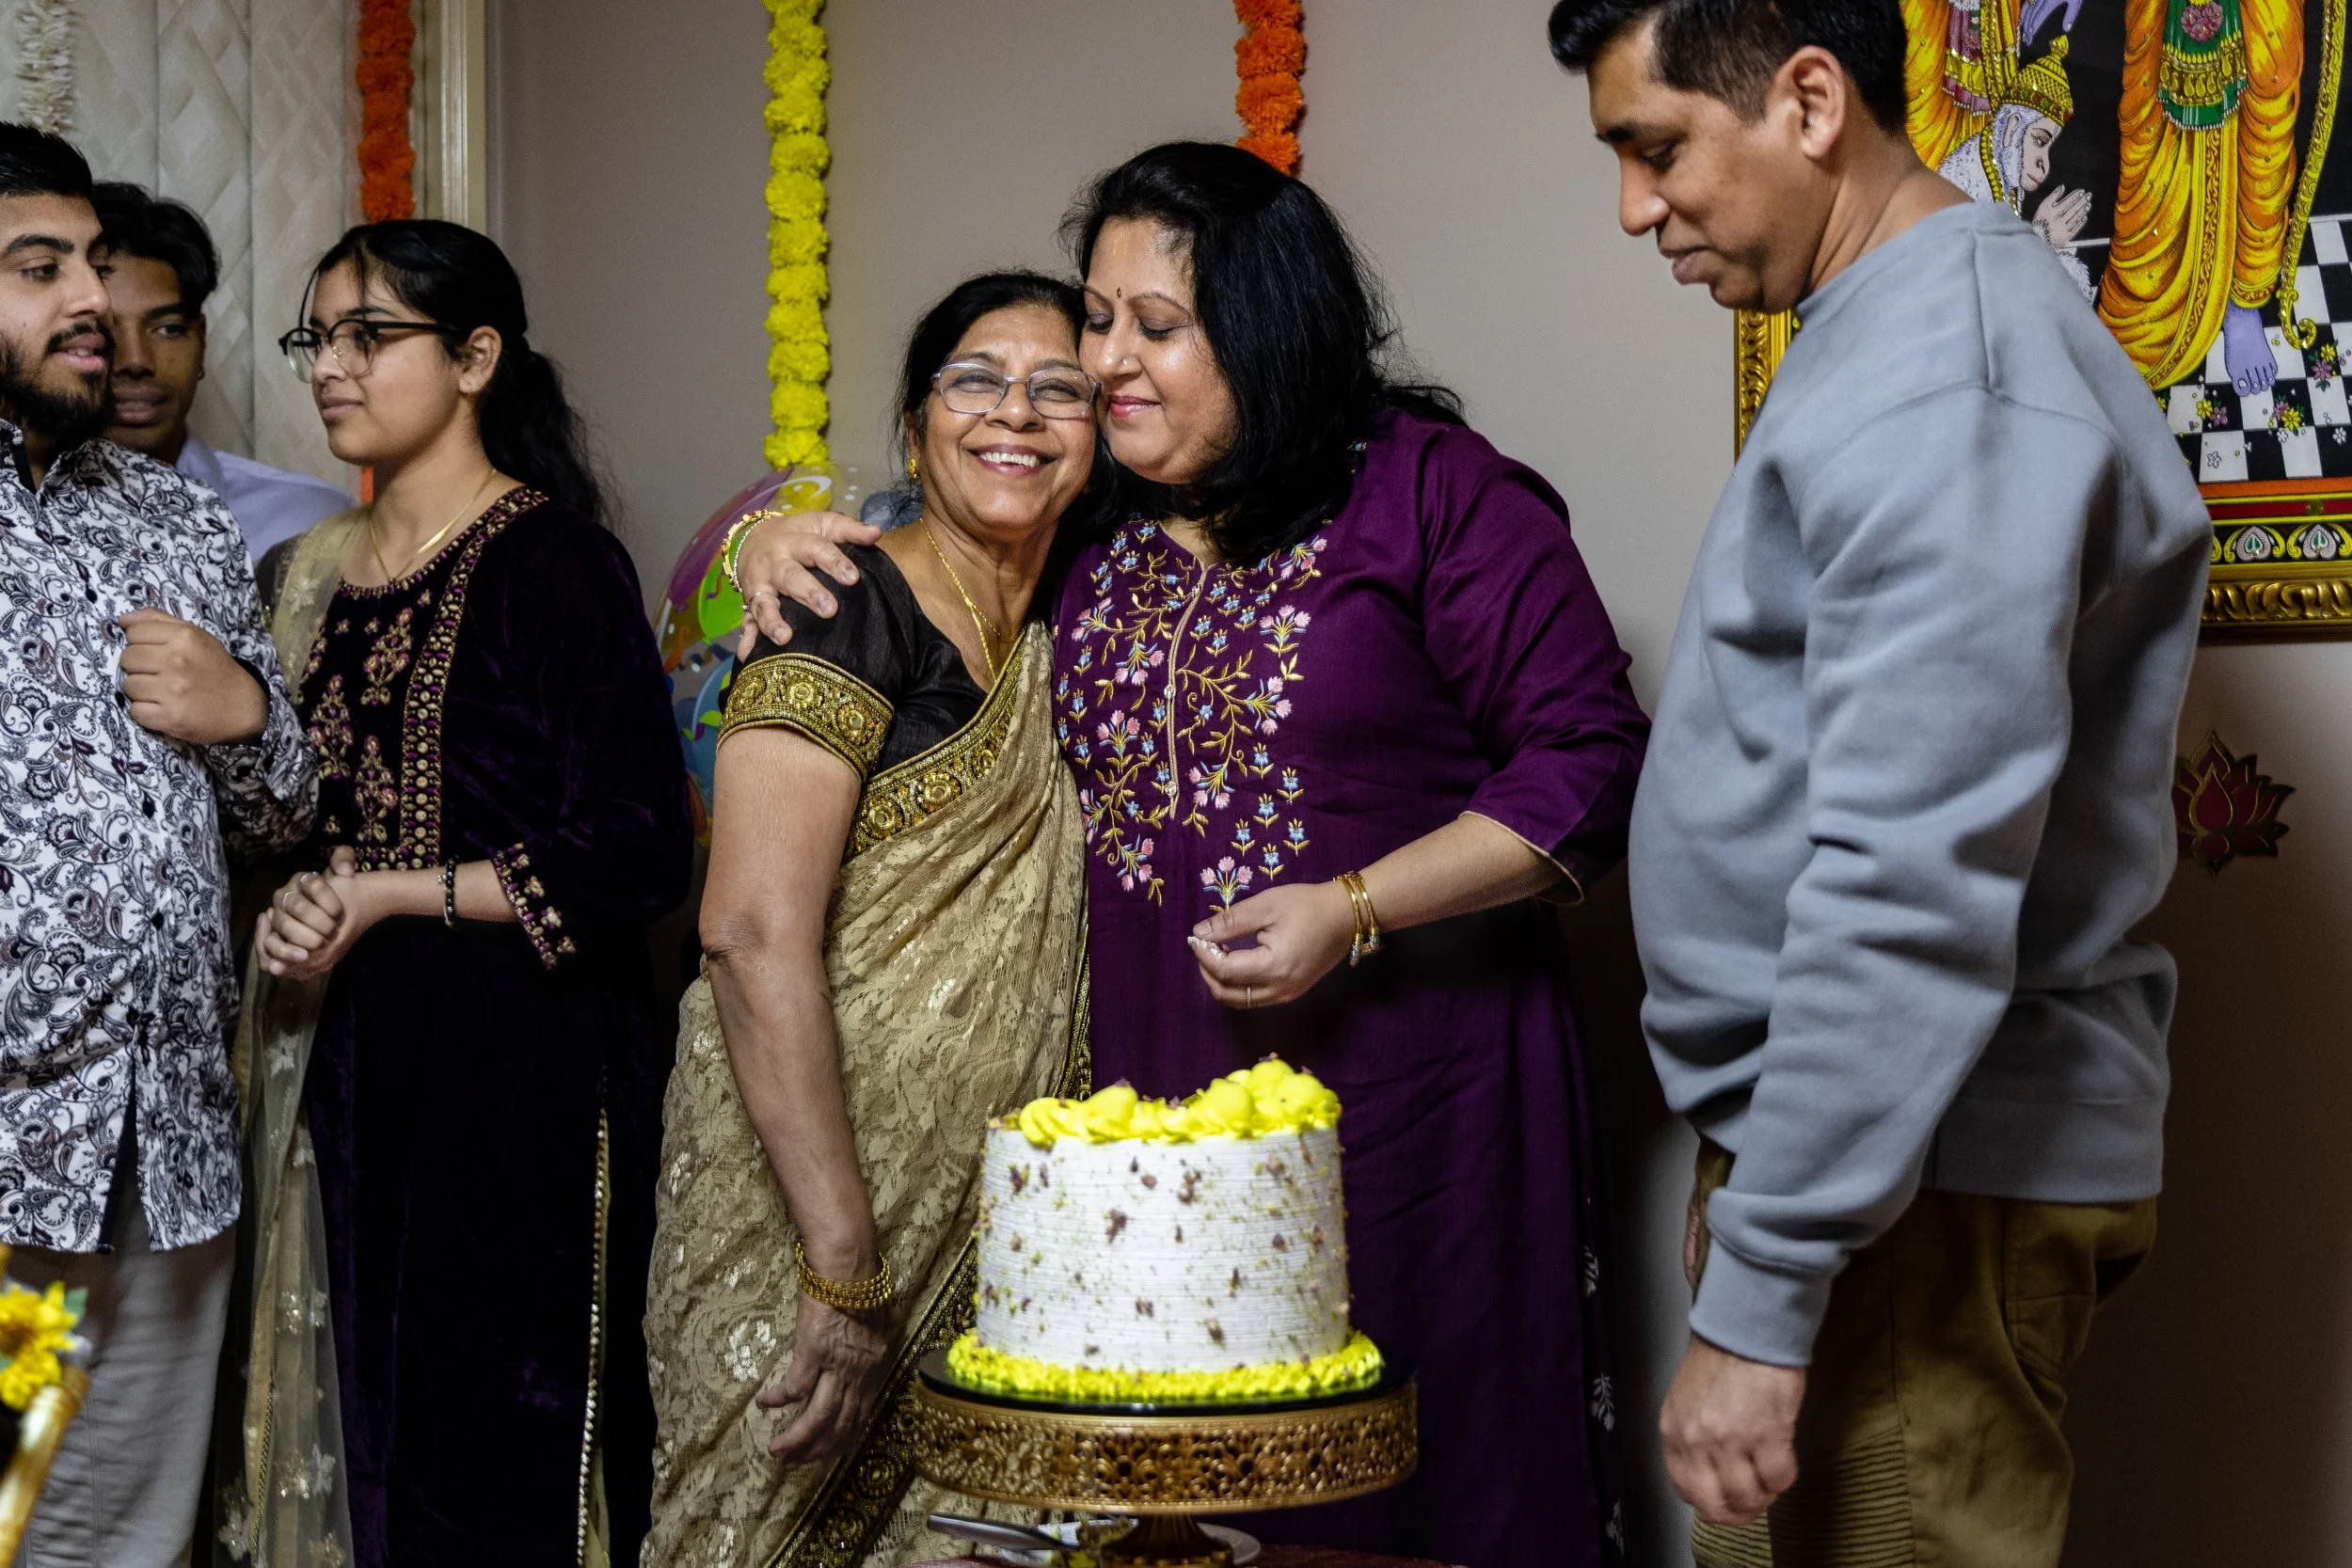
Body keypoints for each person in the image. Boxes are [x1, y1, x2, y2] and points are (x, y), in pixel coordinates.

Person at [735, 143, 1652, 1566]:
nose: (1105, 364)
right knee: (1174, 1515)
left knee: (1417, 1483)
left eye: (1153, 328)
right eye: (1097, 320)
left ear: (1268, 326)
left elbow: (1590, 758)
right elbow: (930, 519)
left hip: (1418, 1101)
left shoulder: (1431, 494)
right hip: (1147, 1125)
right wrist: (768, 534)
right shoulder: (1095, 527)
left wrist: (1357, 904)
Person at [1548, 0, 2211, 1562]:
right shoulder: (1895, 332)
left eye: (1656, 150)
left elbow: (1913, 877)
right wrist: (1774, 1170)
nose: (1635, 208)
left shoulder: (1948, 374)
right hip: (1873, 1165)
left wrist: (1774, 1275)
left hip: (1932, 1184)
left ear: (1810, 100)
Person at [242, 219, 692, 1567]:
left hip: (524, 1083)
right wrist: (297, 904)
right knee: (362, 1435)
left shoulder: (553, 561)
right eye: (317, 338)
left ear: (476, 355)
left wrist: (386, 893)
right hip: (347, 1067)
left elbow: (636, 849)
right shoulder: (305, 577)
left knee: (492, 1452)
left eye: (369, 335)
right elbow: (289, 816)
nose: (332, 367)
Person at [642, 273, 1098, 1567]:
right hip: (796, 1210)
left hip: (999, 1224)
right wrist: (843, 1263)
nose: (1017, 410)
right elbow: (746, 928)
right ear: (914, 427)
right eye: (976, 379)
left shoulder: (1079, 618)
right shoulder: (841, 601)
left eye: (1058, 386)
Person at [0, 124, 317, 1568]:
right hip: (13, 1149)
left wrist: (244, 708)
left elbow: (279, 810)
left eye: (97, 265)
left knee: (115, 1543)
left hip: (165, 1151)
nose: (94, 304)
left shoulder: (178, 517)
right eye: (38, 267)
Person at [91, 181, 350, 558]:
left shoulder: (307, 523)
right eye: (103, 330)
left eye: (168, 329)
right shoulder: (18, 520)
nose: (136, 361)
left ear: (201, 340)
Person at [1932, 41, 2093, 294]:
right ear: (2012, 129)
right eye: (2040, 141)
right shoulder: (1964, 176)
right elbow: (1970, 282)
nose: (2045, 163)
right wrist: (2041, 237)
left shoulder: (2002, 172)